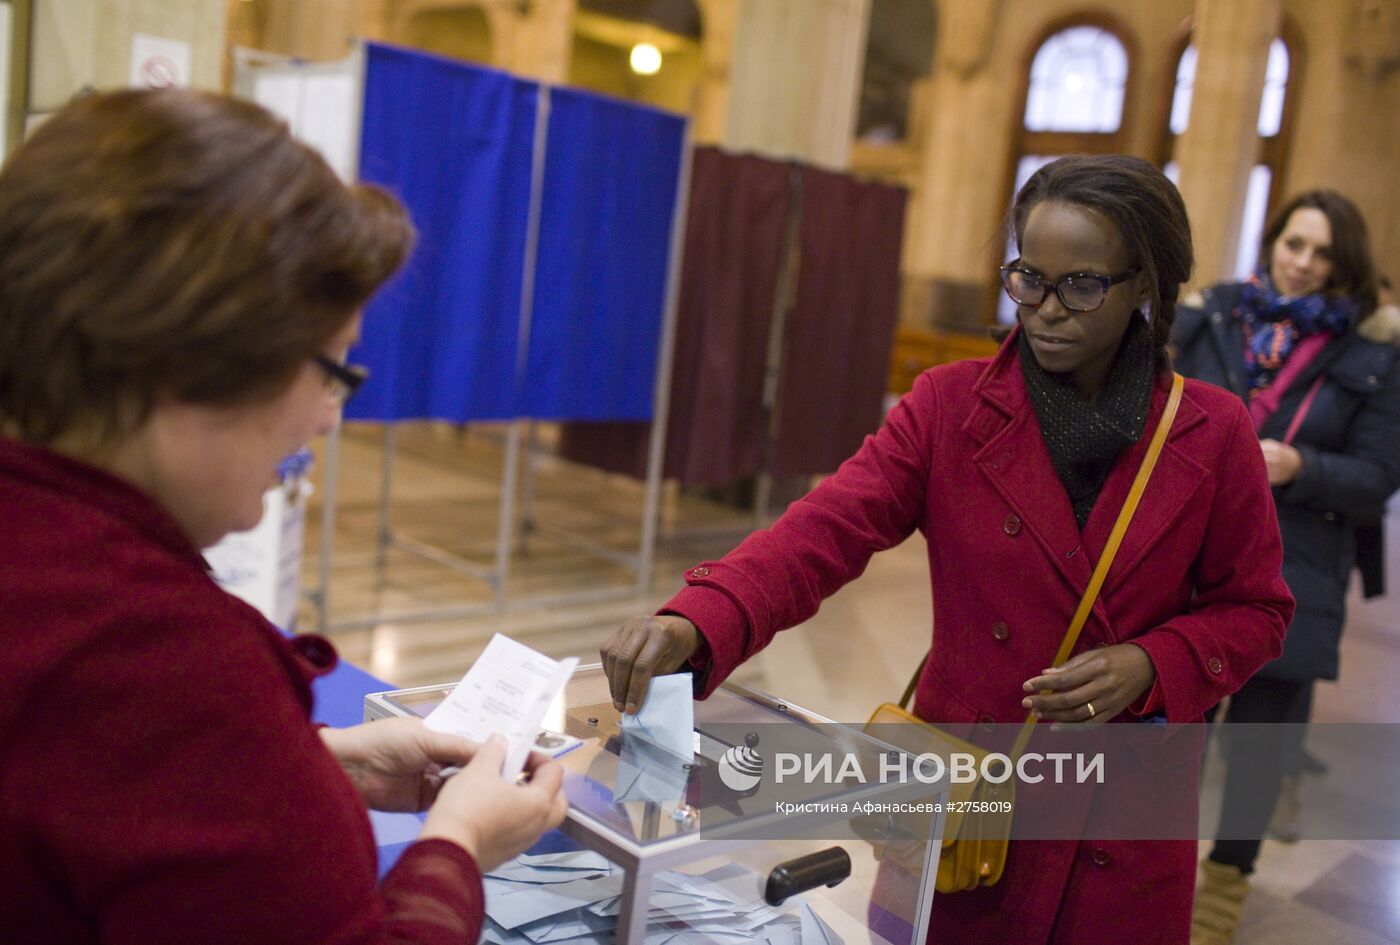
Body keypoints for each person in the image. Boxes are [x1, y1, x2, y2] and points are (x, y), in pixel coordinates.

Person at [600, 154, 1294, 945]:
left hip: (1121, 816)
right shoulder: (949, 405)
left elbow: (1259, 608)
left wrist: (1156, 662)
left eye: (1083, 285)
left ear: (1145, 285)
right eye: (1028, 277)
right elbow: (823, 529)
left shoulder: (1213, 430)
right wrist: (701, 615)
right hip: (965, 798)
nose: (1046, 309)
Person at [0, 89, 567, 943]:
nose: (327, 419)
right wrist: (457, 842)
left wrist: (315, 761)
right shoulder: (162, 659)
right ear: (193, 355)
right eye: (330, 371)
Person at [1173, 190, 1400, 945]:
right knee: (1178, 724)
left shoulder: (1374, 351)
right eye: (1292, 243)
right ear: (1271, 242)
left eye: (1321, 251)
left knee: (1262, 741)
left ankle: (1224, 888)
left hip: (1295, 559)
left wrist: (1301, 463)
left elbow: (1377, 475)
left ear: (1346, 265)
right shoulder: (1214, 316)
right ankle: (1159, 869)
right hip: (1191, 556)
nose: (1301, 262)